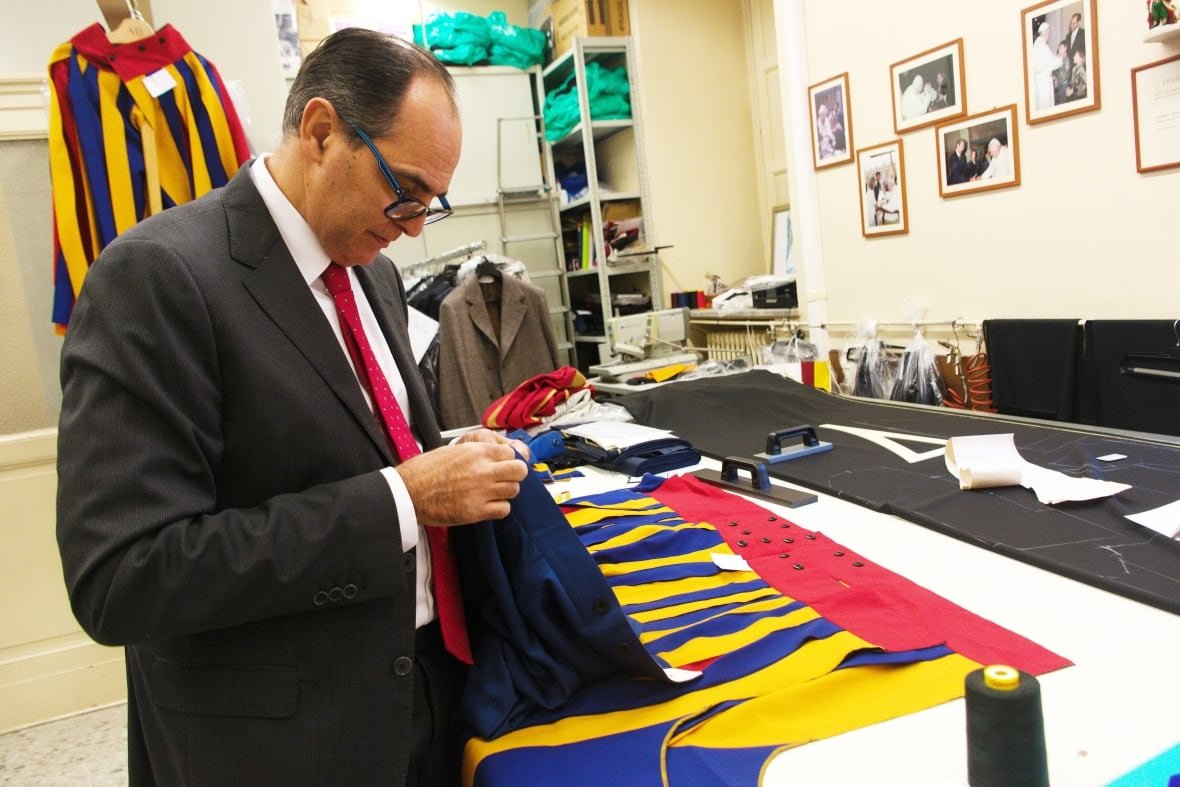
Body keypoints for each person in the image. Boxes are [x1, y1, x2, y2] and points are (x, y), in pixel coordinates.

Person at [56, 28, 531, 786]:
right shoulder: (156, 278)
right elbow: (122, 577)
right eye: (404, 190)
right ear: (319, 132)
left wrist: (451, 459)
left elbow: (357, 444)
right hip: (278, 744)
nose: (414, 227)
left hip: (425, 699)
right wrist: (403, 498)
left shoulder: (368, 272)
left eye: (431, 205)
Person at [1031, 21, 1060, 110]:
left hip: (1039, 82)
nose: (1048, 35)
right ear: (1045, 32)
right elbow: (1052, 62)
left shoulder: (1036, 45)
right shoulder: (1043, 46)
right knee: (1045, 107)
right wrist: (1060, 58)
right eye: (1048, 32)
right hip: (1044, 83)